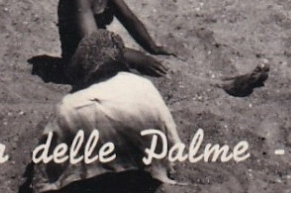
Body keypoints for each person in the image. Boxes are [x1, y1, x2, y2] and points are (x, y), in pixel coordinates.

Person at [28, 30, 182, 192]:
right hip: (140, 175)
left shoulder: (68, 105)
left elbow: (45, 172)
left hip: (92, 181)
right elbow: (169, 139)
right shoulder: (143, 86)